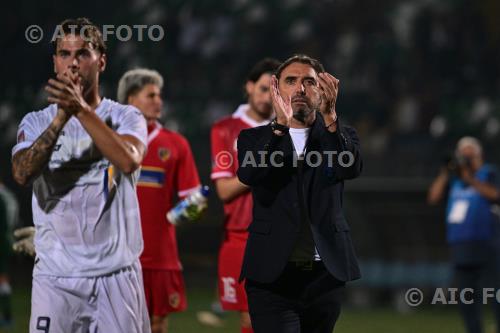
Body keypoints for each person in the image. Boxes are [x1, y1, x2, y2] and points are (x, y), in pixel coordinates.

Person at [11, 18, 150, 332]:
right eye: (64, 54)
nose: (73, 63)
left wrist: (81, 110)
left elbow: (128, 162)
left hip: (117, 275)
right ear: (55, 63)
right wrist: (63, 116)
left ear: (100, 61)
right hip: (56, 279)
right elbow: (22, 172)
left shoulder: (126, 116)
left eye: (82, 54)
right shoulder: (35, 122)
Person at [236, 54, 362, 333]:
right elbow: (249, 175)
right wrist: (280, 127)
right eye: (290, 81)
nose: (300, 89)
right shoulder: (254, 139)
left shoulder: (341, 135)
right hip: (272, 276)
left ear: (323, 89)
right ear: (276, 89)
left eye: (309, 81)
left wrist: (331, 118)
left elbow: (349, 168)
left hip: (323, 277)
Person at [117, 68, 201, 333]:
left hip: (161, 257)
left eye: (159, 95)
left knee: (157, 325)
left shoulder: (175, 144)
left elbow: (194, 201)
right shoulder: (110, 140)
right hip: (117, 255)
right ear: (131, 99)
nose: (158, 101)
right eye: (150, 95)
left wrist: (178, 217)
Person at [210, 58, 280, 333]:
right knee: (251, 319)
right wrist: (261, 169)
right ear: (249, 87)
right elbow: (224, 190)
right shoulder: (225, 129)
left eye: (273, 91)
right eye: (263, 88)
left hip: (284, 233)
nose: (267, 97)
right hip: (242, 236)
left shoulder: (291, 131)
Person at [428, 136, 500, 333]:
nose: (466, 159)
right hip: (461, 245)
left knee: (496, 292)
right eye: (463, 155)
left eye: (470, 154)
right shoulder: (455, 181)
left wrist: (471, 178)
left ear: (479, 155)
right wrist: (445, 172)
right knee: (466, 295)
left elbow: (495, 195)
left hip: (488, 243)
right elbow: (433, 197)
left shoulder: (489, 173)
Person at [0, 180, 19, 328]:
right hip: (6, 241)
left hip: (2, 241)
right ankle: (6, 315)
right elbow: (13, 219)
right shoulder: (8, 196)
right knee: (3, 279)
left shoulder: (4, 197)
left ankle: (6, 315)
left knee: (3, 279)